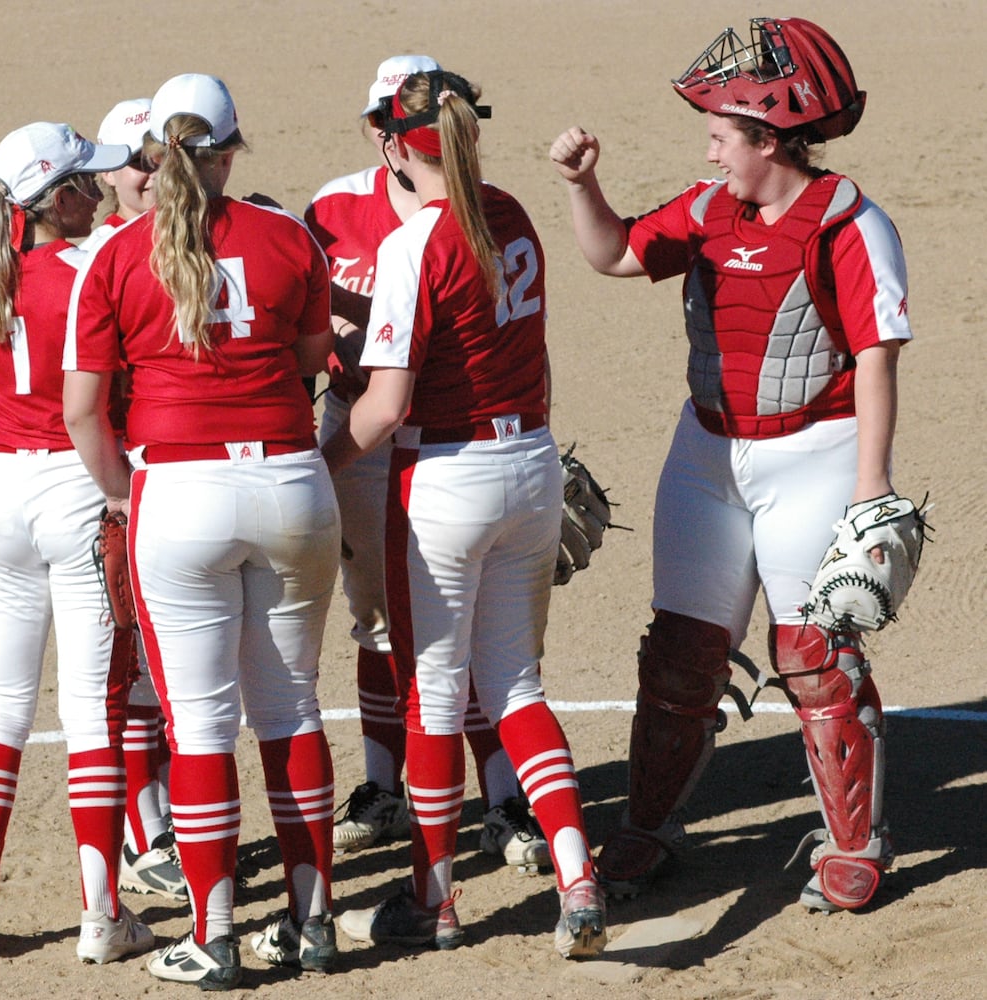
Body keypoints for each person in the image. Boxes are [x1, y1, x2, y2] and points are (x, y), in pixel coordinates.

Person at [549, 16, 912, 913]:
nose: (710, 154)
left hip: (813, 455)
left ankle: (855, 841)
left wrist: (871, 487)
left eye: (722, 136)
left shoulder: (851, 225)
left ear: (770, 137)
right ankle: (649, 823)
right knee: (681, 650)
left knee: (815, 652)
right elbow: (612, 253)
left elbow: (877, 359)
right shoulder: (708, 212)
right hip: (706, 453)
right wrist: (583, 185)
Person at [63, 73, 341, 988]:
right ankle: (314, 917)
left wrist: (119, 492)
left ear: (151, 159)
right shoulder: (288, 238)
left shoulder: (116, 255)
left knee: (200, 727)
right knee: (293, 707)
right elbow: (309, 362)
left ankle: (216, 932)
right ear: (230, 152)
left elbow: (82, 410)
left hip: (178, 491)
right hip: (291, 481)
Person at [323, 69, 607, 959]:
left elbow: (383, 408)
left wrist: (314, 470)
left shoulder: (415, 245)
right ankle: (579, 881)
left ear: (396, 144)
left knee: (434, 696)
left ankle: (432, 903)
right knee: (517, 685)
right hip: (531, 464)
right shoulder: (513, 214)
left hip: (445, 479)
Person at [306, 54, 550, 870]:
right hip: (369, 435)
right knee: (380, 626)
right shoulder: (332, 210)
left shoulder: (469, 216)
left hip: (431, 443)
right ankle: (384, 790)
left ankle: (500, 801)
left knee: (457, 643)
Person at [0, 121, 154, 964]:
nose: (99, 191)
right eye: (85, 182)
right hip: (81, 487)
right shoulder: (97, 267)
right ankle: (103, 915)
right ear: (52, 197)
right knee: (93, 706)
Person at [82, 97, 187, 903]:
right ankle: (142, 829)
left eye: (156, 159)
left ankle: (166, 826)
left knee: (165, 666)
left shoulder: (197, 239)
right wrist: (116, 491)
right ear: (106, 175)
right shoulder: (101, 256)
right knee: (126, 664)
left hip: (178, 476)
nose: (149, 175)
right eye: (134, 163)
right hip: (113, 481)